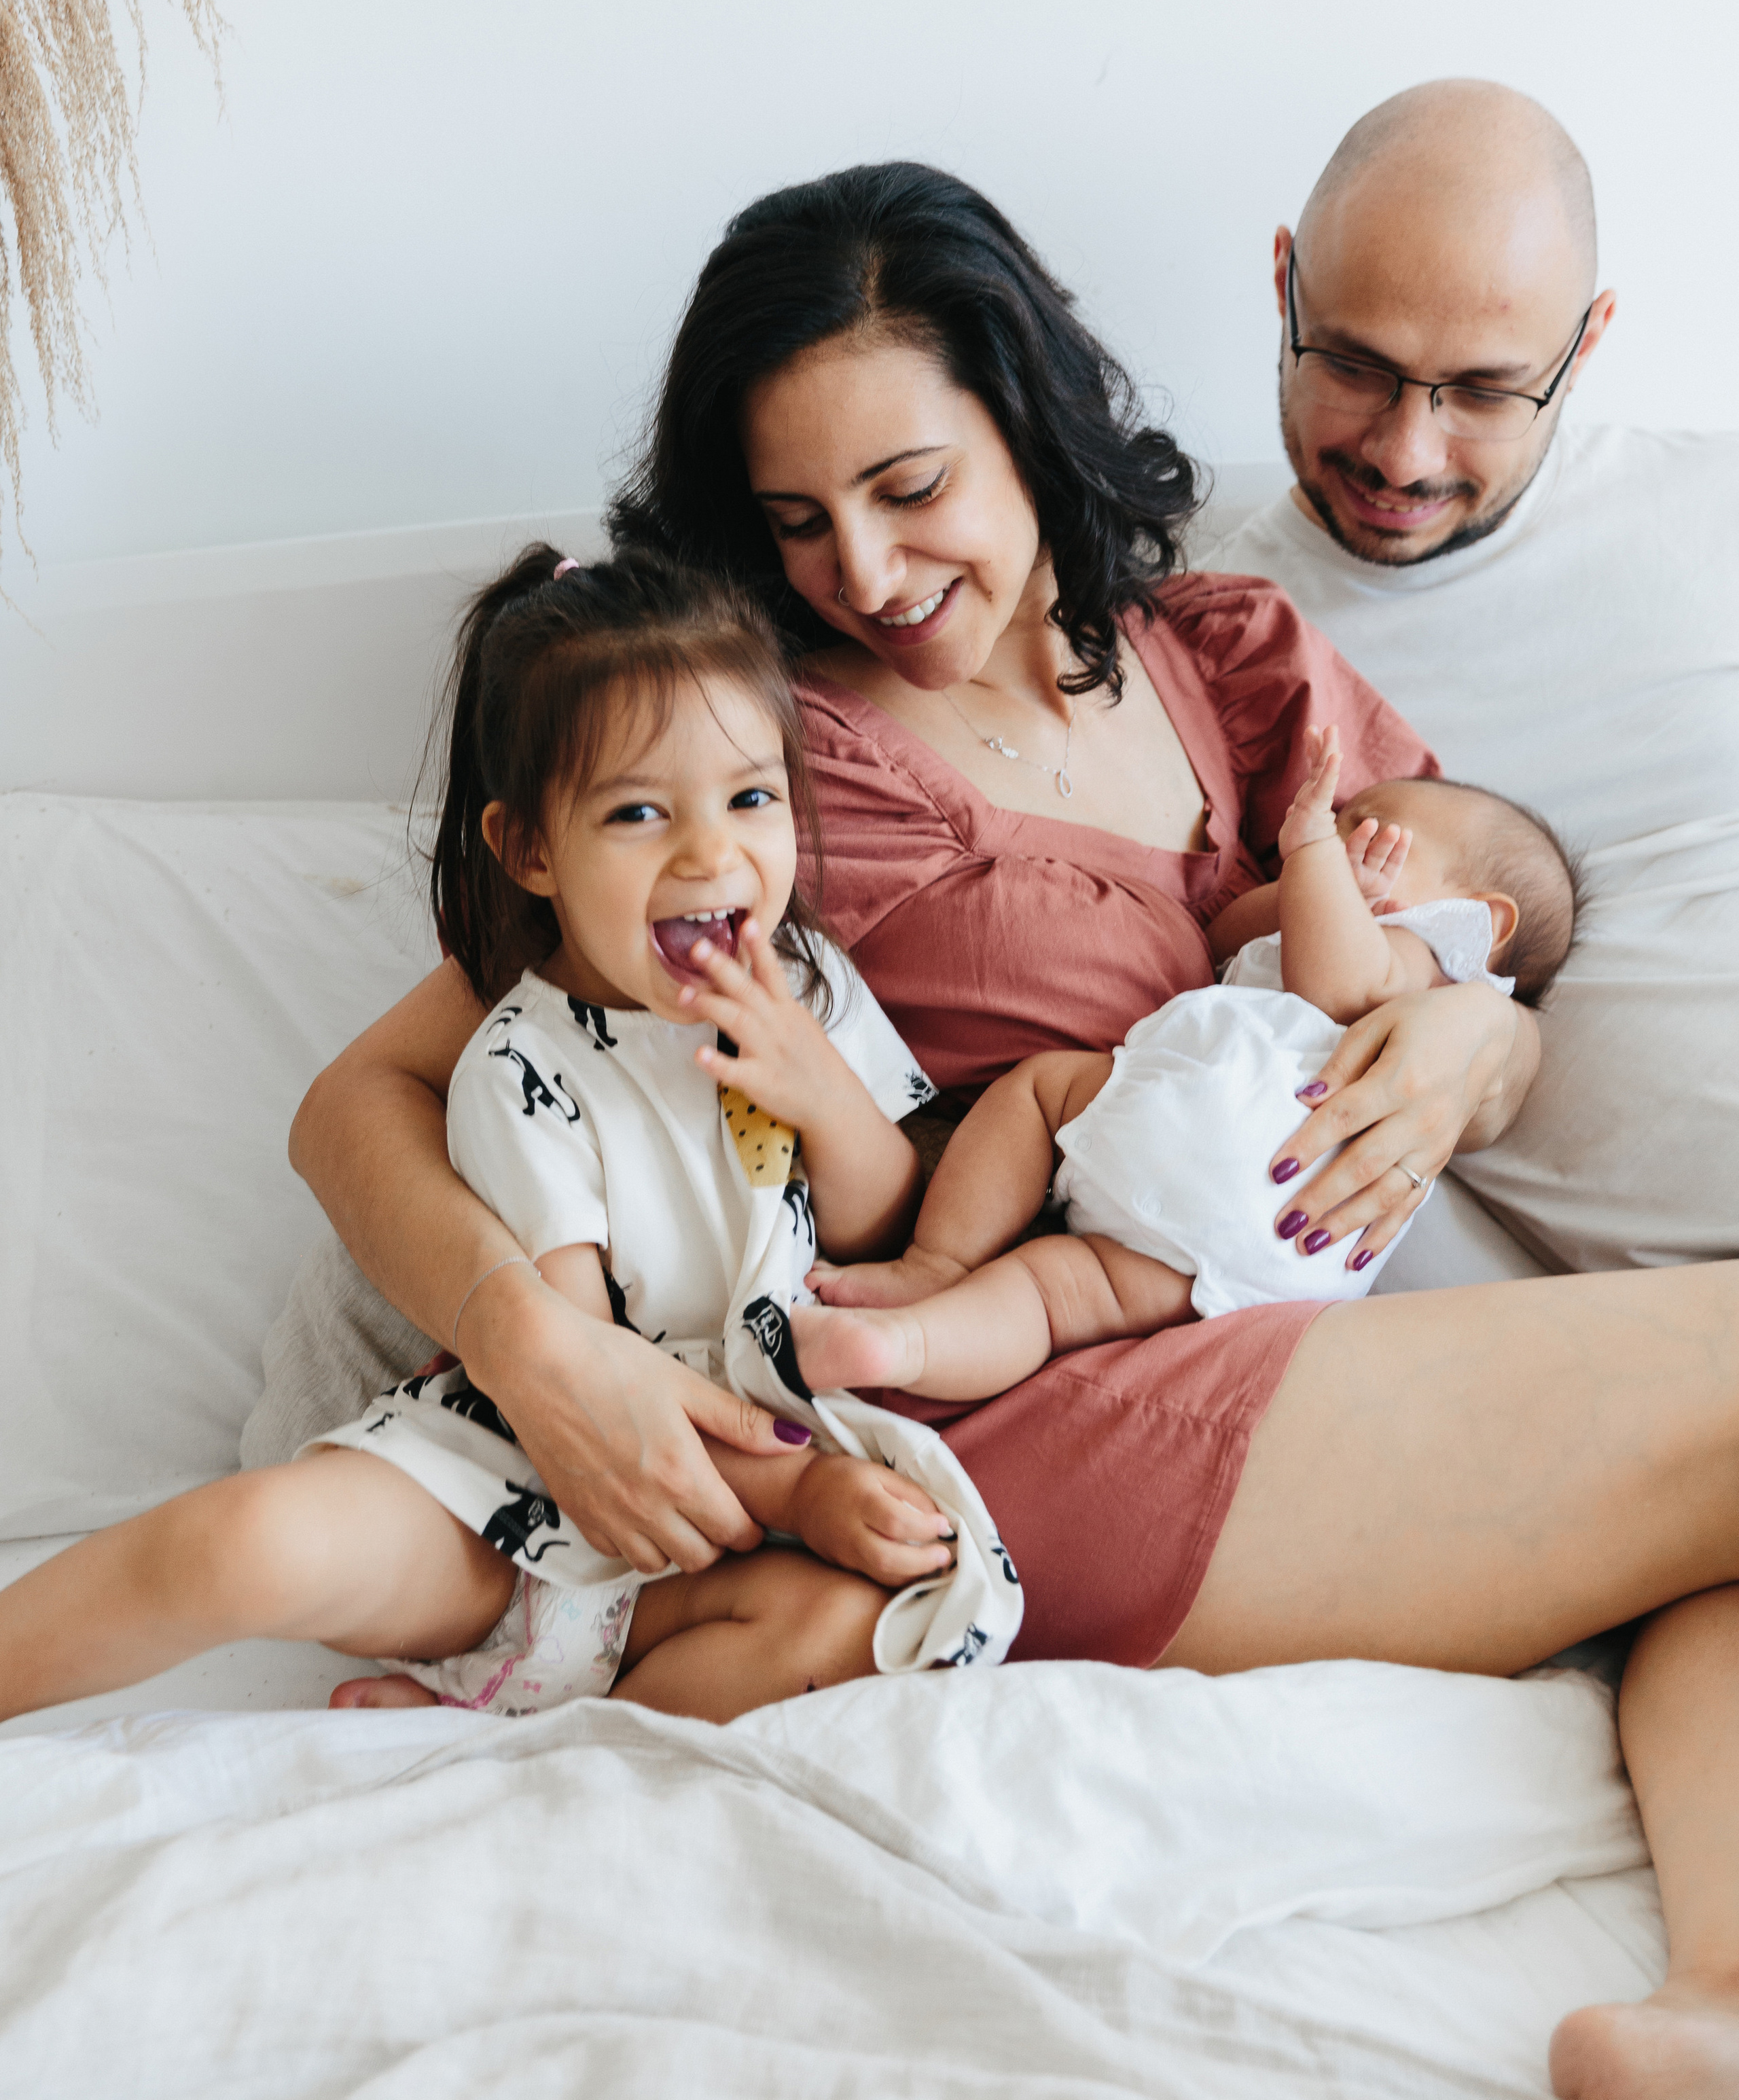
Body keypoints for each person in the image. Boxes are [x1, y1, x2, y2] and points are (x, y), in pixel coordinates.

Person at [276, 162, 1734, 2092]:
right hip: (1007, 1400)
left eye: (909, 489)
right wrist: (541, 1355)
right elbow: (355, 1103)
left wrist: (1480, 1043)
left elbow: (1474, 919)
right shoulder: (757, 756)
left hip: (1282, 1334)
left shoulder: (1229, 657)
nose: (863, 574)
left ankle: (1711, 2007)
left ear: (1029, 424)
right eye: (797, 521)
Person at [0, 547, 1024, 1731]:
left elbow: (886, 1232)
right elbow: (591, 1371)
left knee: (857, 1637)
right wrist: (804, 1488)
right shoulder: (524, 1065)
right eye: (639, 813)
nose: (711, 855)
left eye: (751, 799)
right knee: (241, 1544)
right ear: (532, 850)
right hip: (536, 1483)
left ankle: (511, 1723)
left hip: (707, 1535)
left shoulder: (810, 988)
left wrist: (823, 1091)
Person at [1201, 77, 1739, 1273]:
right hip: (1542, 1327)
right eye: (1354, 364)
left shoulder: (1714, 514)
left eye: (1487, 391)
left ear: (1585, 344)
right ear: (1285, 286)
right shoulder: (1202, 635)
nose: (1405, 454)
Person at [791, 731, 1580, 1398]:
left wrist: (1317, 852)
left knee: (1037, 1094)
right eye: (1340, 822)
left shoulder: (1429, 963)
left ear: (1480, 922)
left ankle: (937, 1263)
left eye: (1369, 829)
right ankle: (901, 1350)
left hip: (1236, 1146)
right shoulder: (1332, 916)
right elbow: (1226, 938)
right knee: (1050, 1296)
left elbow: (1340, 988)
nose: (1338, 832)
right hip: (1278, 1265)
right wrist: (1308, 875)